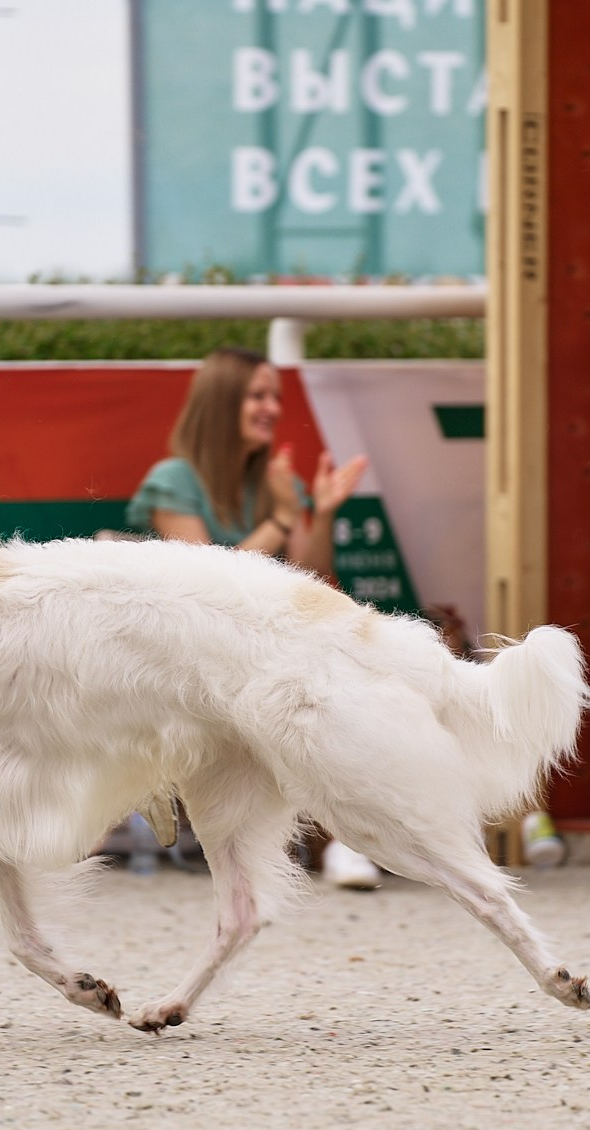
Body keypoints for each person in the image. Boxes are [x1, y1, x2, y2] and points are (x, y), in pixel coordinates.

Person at [125, 347, 385, 887]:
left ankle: (349, 838)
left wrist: (321, 514)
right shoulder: (174, 478)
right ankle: (338, 839)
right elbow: (207, 585)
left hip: (265, 646)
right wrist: (281, 519)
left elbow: (313, 578)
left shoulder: (275, 481)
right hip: (194, 661)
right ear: (221, 403)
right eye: (257, 396)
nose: (272, 408)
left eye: (276, 397)